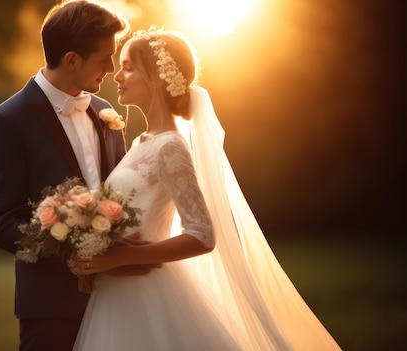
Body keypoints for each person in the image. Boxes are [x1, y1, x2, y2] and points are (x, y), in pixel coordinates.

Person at [70, 27, 342, 350]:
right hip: (115, 297)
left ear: (156, 78)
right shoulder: (141, 143)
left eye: (128, 67)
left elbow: (202, 234)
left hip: (146, 293)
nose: (117, 76)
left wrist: (125, 256)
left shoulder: (170, 147)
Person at [0, 1, 142, 350]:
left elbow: (124, 192)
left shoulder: (105, 113)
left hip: (119, 300)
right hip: (50, 306)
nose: (112, 69)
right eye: (104, 59)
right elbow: (1, 221)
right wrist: (70, 249)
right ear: (71, 59)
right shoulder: (7, 121)